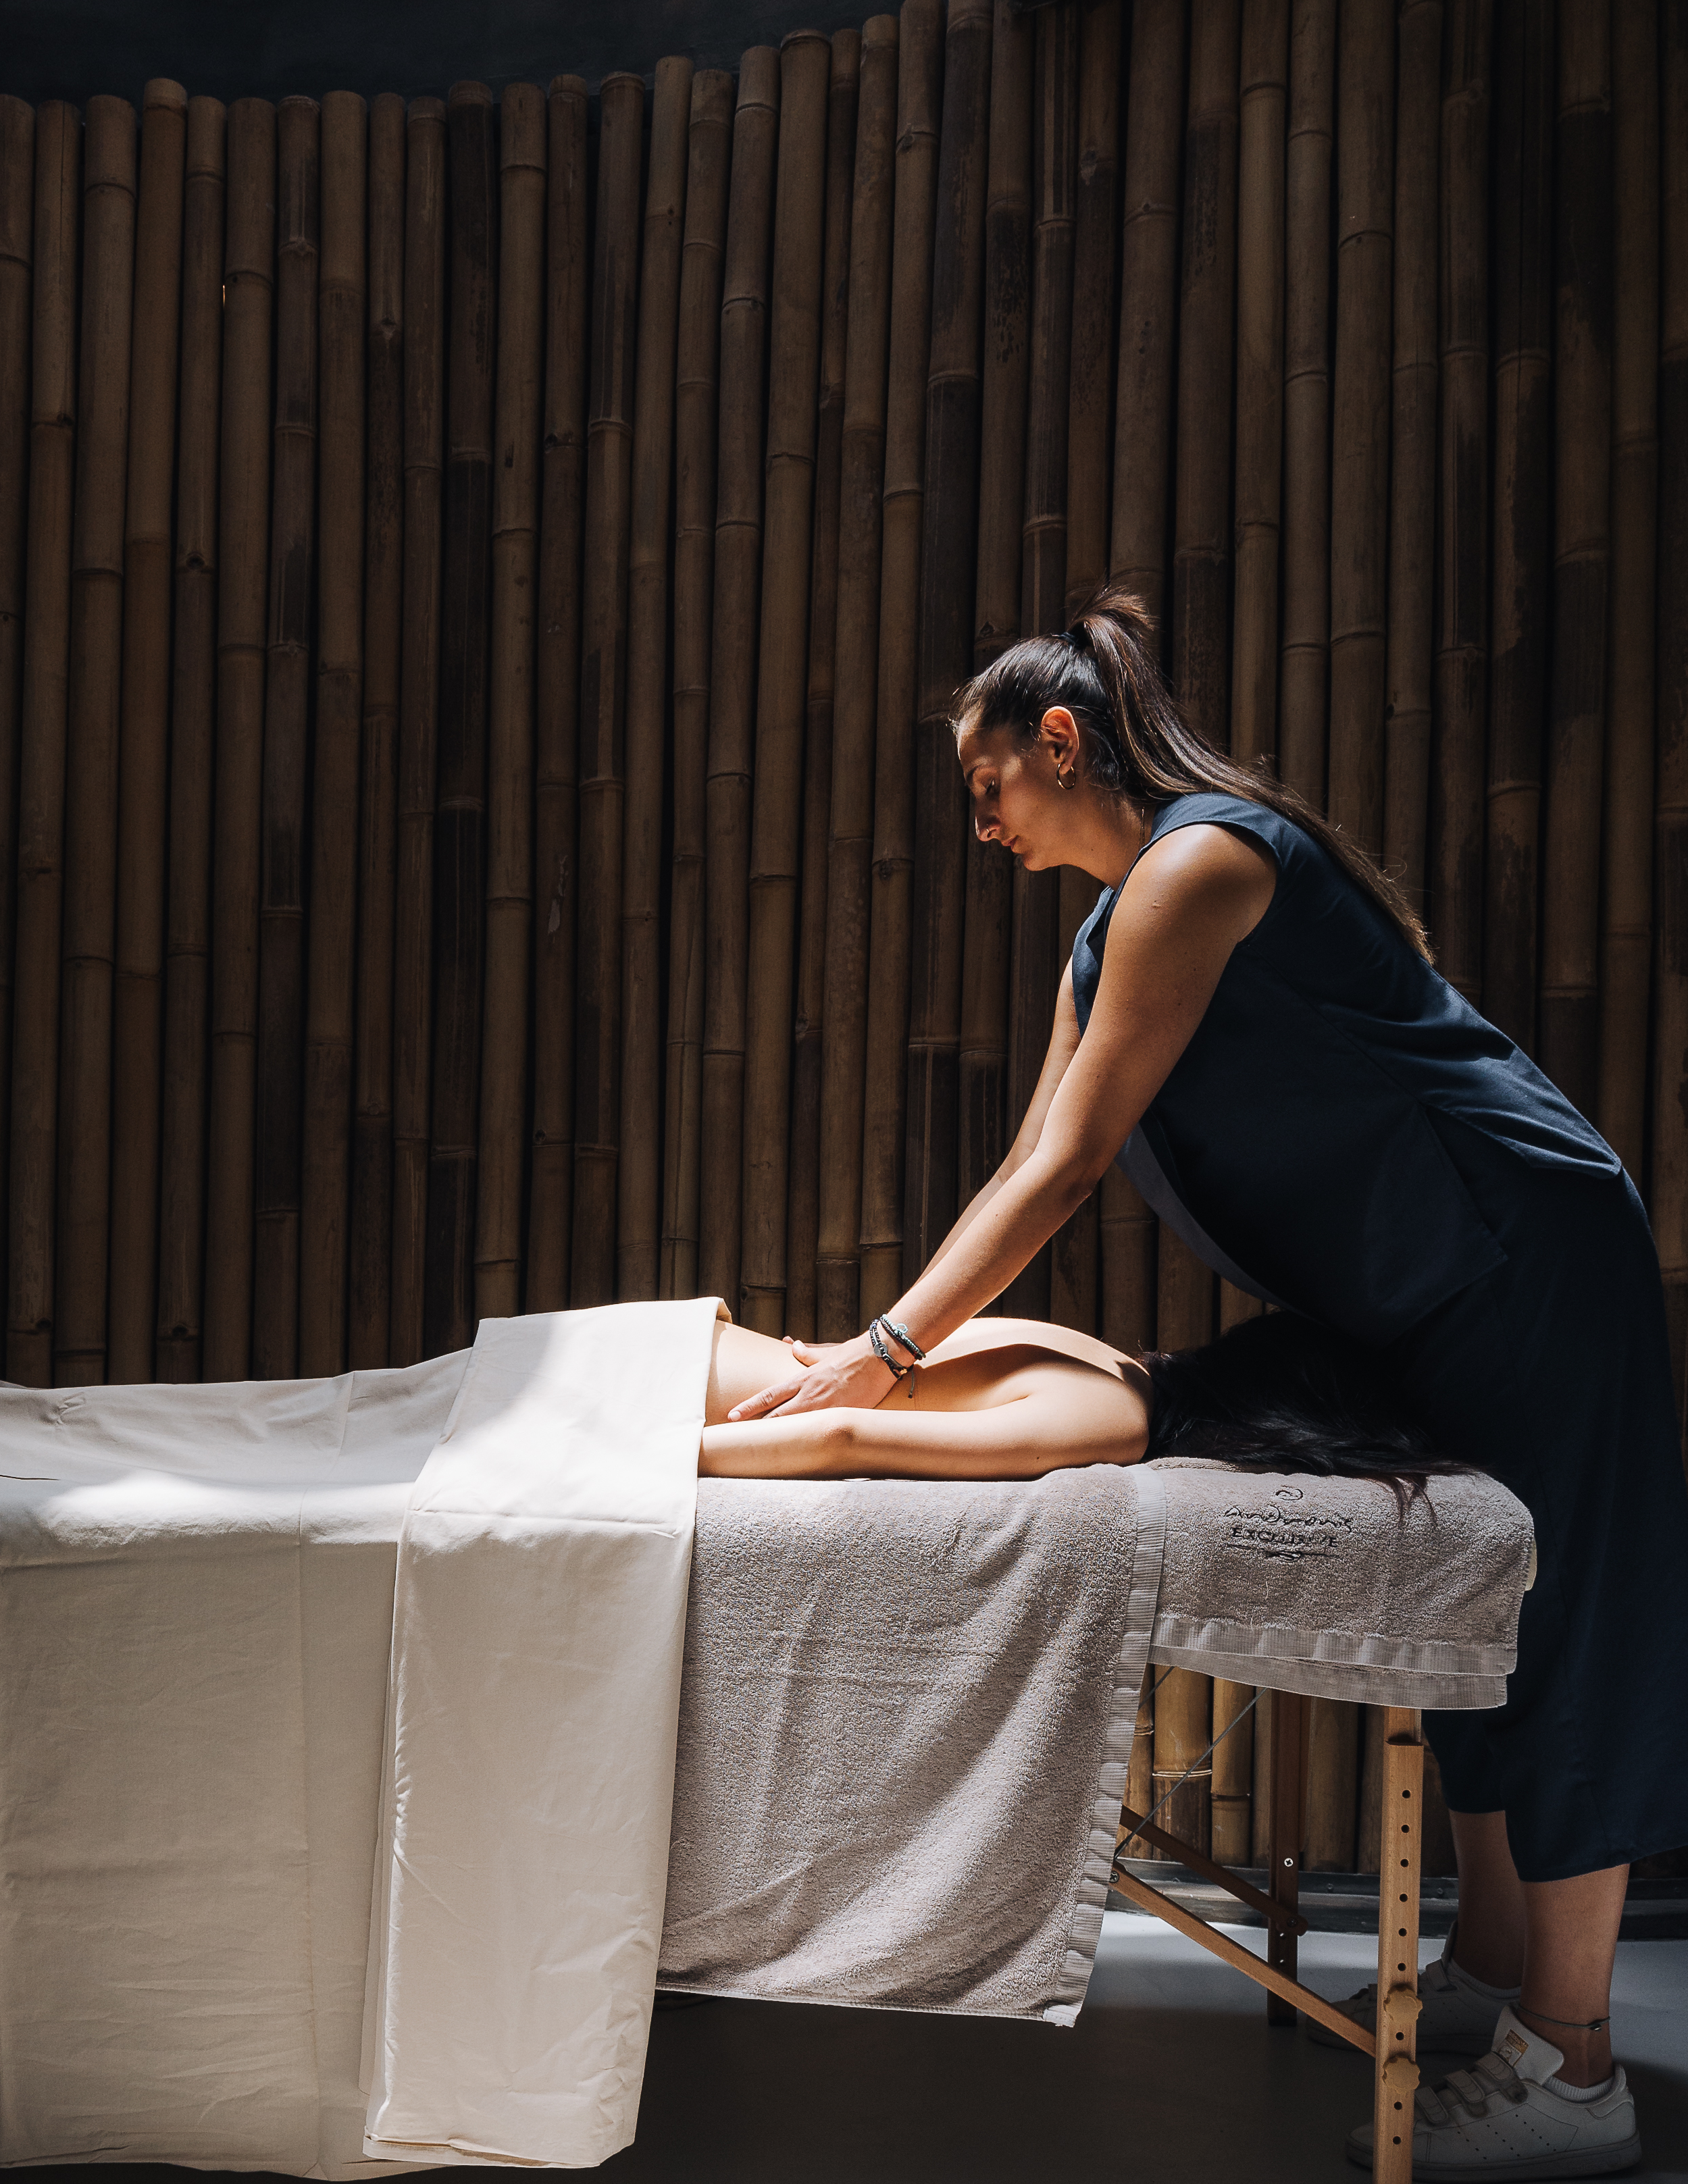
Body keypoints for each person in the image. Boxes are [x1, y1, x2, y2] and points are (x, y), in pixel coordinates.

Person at [718, 584, 1688, 2180]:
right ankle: (1499, 1973)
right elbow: (1031, 1150)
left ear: (1057, 740)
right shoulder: (1107, 927)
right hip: (1416, 1278)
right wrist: (860, 1352)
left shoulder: (1207, 863)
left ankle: (1573, 2070)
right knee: (1477, 1625)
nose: (981, 830)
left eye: (989, 792)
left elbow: (1073, 1169)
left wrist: (884, 1358)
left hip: (1525, 1252)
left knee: (1563, 1614)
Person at [699, 1295, 1452, 1491]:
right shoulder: (1115, 1421)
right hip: (678, 1393)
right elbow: (844, 1436)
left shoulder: (1105, 1360)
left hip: (697, 1347)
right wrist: (647, 1458)